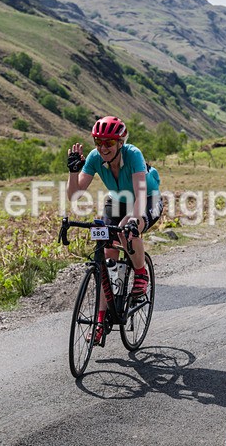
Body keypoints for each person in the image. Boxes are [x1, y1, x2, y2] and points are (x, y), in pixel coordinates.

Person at [66, 116, 163, 342]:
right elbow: (74, 195)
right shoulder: (94, 157)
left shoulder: (134, 155)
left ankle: (140, 272)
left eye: (108, 143)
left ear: (120, 143)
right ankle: (102, 319)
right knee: (106, 250)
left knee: (127, 229)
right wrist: (73, 172)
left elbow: (139, 196)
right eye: (98, 142)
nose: (102, 147)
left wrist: (131, 221)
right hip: (117, 200)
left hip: (146, 198)